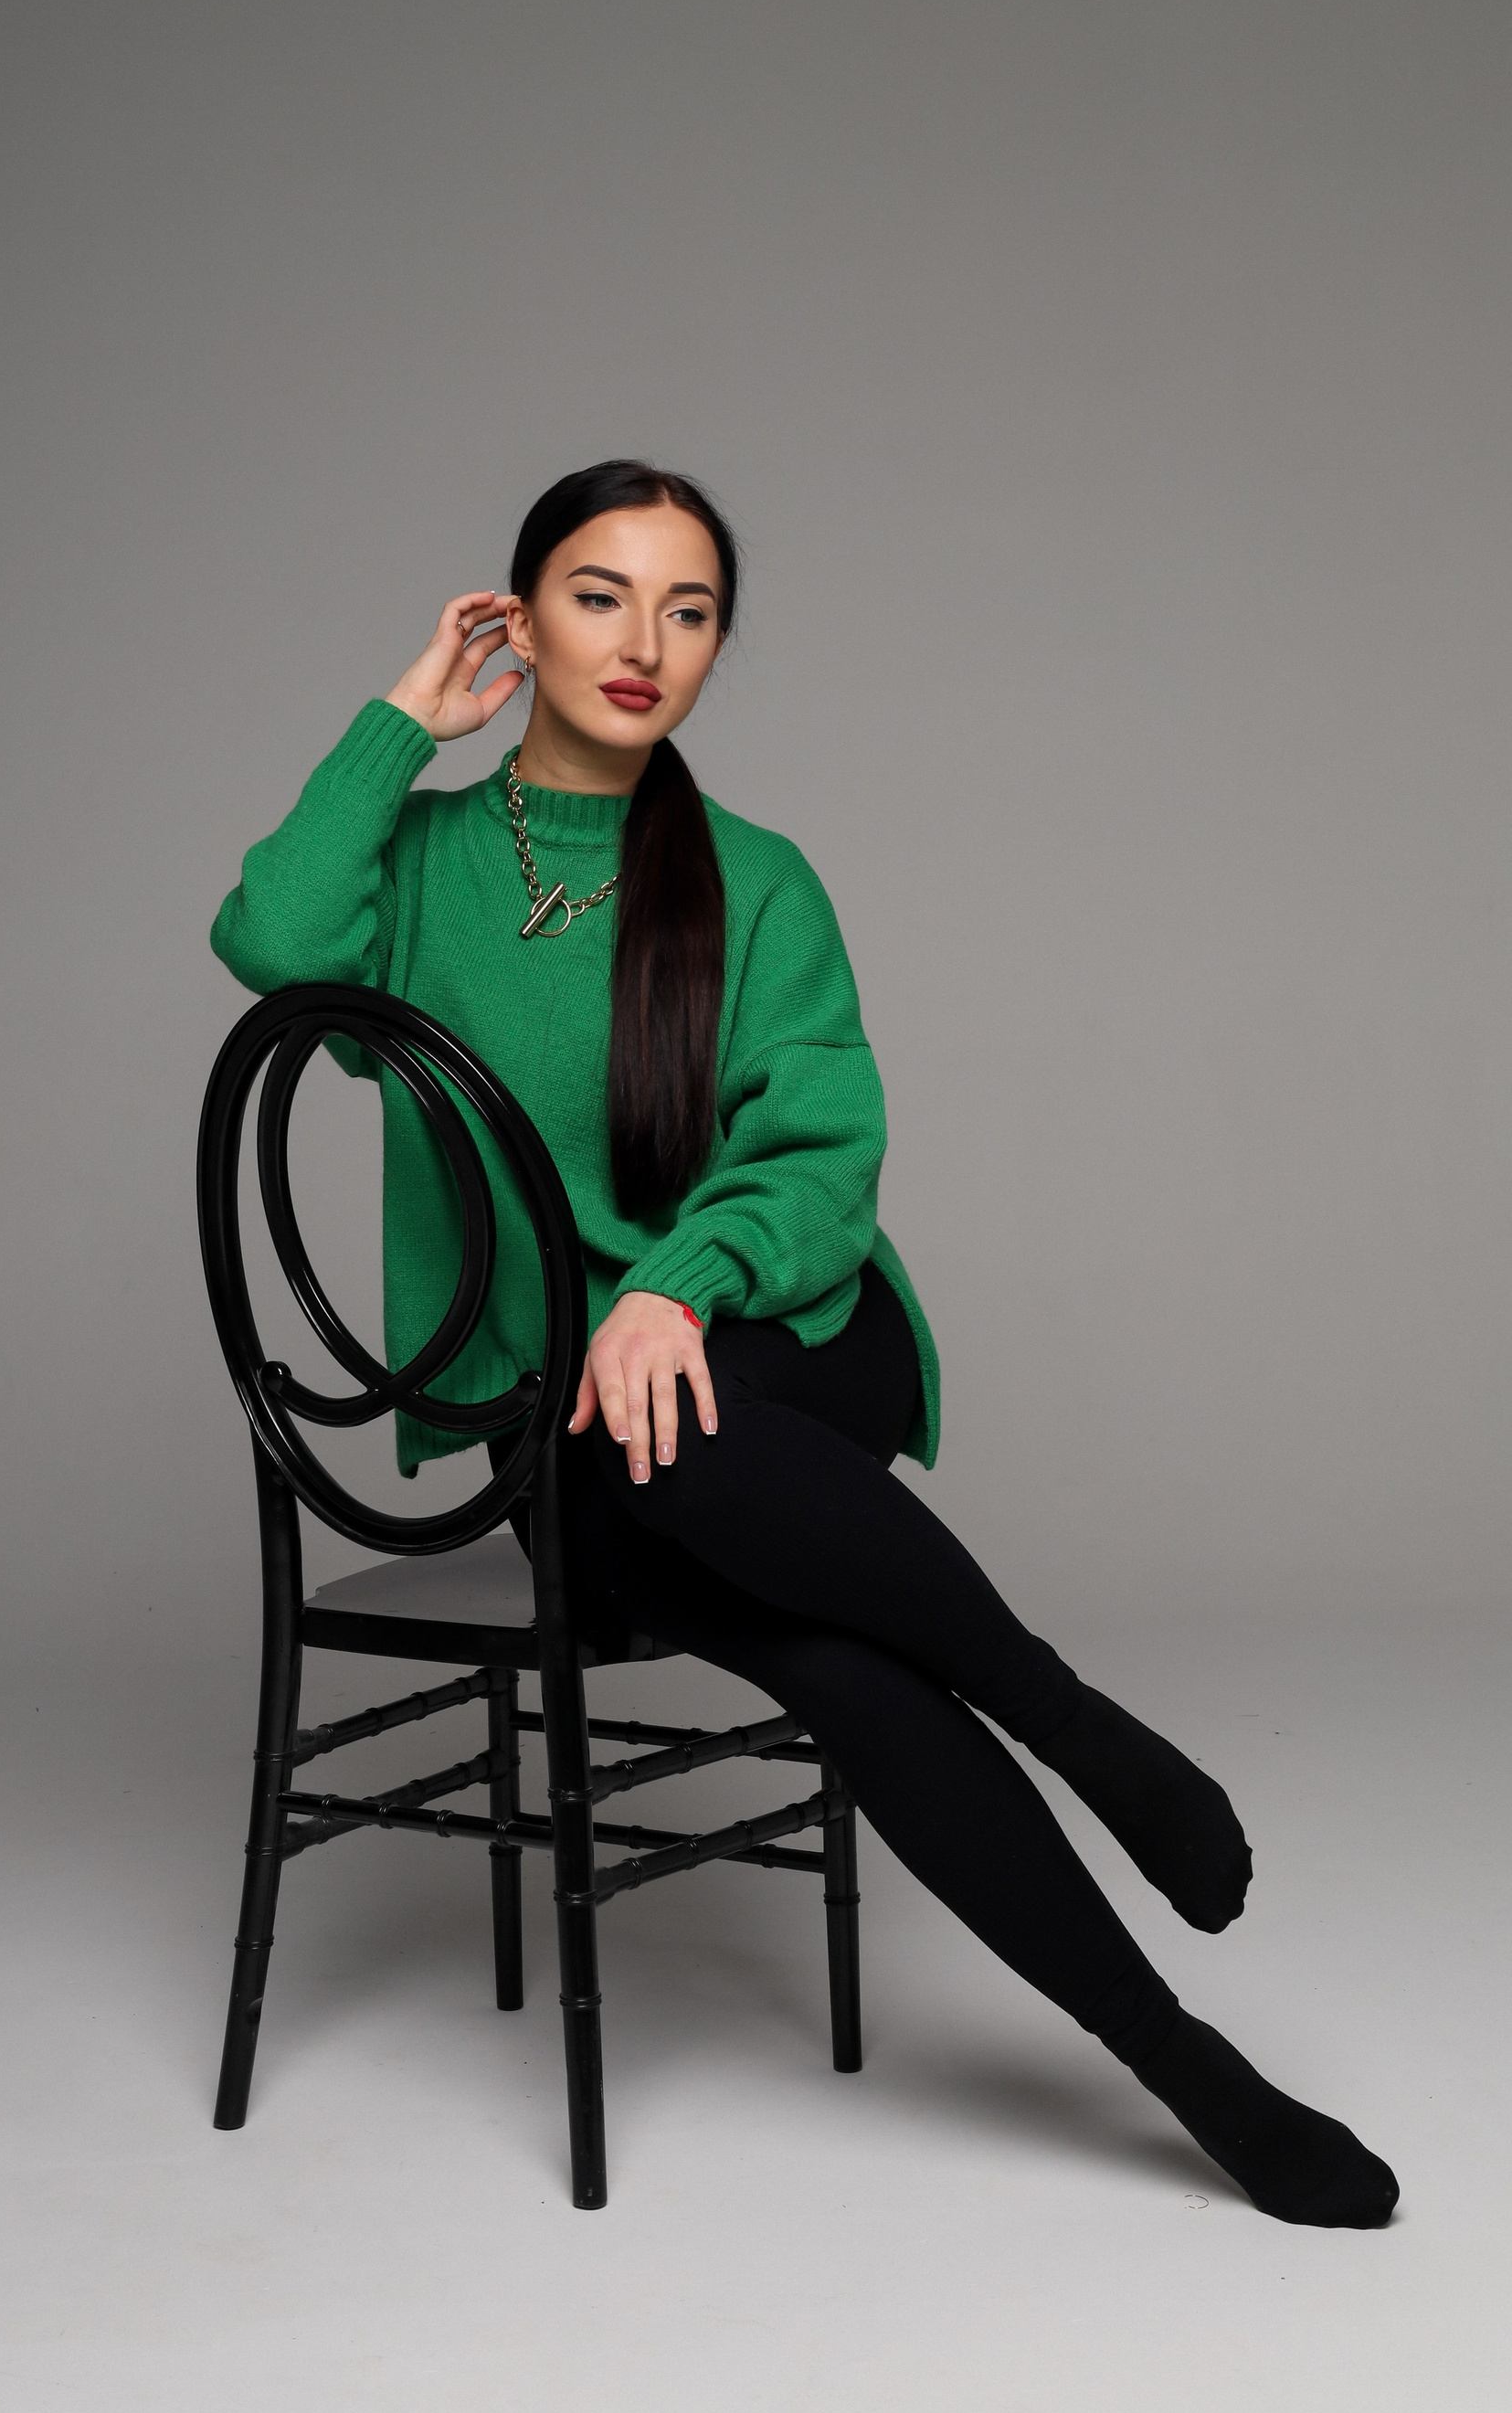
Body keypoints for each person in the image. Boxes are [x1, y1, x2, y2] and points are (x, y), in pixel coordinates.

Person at [210, 459, 1398, 2228]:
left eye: (689, 612)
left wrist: (672, 1289)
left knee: (680, 1425)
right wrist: (401, 723)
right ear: (517, 620)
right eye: (600, 595)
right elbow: (269, 935)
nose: (645, 641)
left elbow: (823, 1160)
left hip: (787, 1340)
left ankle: (1079, 1733)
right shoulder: (426, 871)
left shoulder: (754, 883)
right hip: (575, 1426)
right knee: (832, 1663)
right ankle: (1183, 2051)